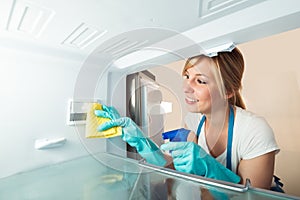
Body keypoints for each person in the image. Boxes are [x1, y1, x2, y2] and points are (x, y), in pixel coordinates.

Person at [95, 46, 279, 190]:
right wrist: (142, 142)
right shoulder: (193, 121)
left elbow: (253, 198)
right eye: (187, 76)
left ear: (228, 91)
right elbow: (176, 170)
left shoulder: (254, 130)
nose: (186, 87)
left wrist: (210, 168)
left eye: (200, 81)